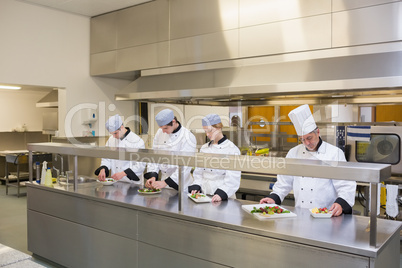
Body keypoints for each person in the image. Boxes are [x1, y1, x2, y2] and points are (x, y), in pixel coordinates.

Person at [260, 105, 356, 216]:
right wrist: (274, 198)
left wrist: (340, 203)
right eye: (302, 139)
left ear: (318, 132)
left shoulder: (334, 153)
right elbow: (283, 183)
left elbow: (346, 185)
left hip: (327, 215)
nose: (306, 143)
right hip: (300, 215)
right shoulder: (293, 153)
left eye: (309, 138)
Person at [188, 114, 241, 202]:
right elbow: (199, 172)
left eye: (210, 131)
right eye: (205, 131)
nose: (207, 134)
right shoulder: (204, 148)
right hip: (204, 194)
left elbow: (233, 179)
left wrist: (221, 194)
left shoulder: (232, 149)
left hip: (223, 196)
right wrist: (197, 185)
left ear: (219, 128)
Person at [144, 109, 197, 191]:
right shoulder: (160, 133)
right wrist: (153, 176)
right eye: (161, 128)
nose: (163, 131)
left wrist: (165, 182)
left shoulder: (188, 137)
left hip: (180, 184)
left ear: (173, 121)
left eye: (165, 128)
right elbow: (155, 156)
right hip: (163, 181)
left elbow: (185, 165)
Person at [95, 114, 146, 184]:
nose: (114, 136)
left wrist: (123, 173)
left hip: (132, 183)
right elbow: (106, 158)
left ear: (121, 127)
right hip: (116, 182)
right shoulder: (111, 140)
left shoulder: (137, 141)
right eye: (112, 134)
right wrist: (103, 168)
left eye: (115, 133)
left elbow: (141, 165)